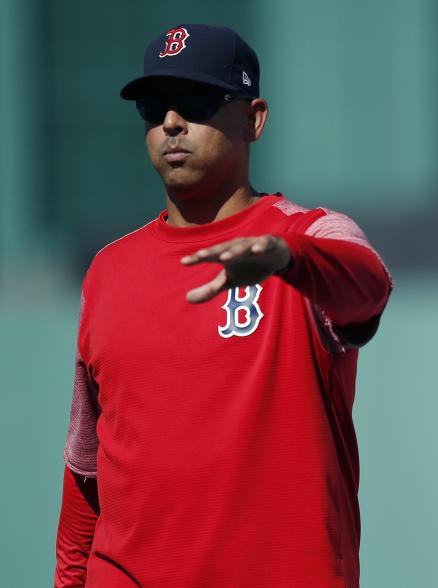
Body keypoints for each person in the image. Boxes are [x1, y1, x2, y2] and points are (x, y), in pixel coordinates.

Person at [53, 24, 391, 587]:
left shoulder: (311, 237)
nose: (170, 123)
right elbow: (86, 469)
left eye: (196, 102)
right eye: (153, 107)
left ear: (253, 118)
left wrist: (288, 259)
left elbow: (369, 288)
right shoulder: (109, 269)